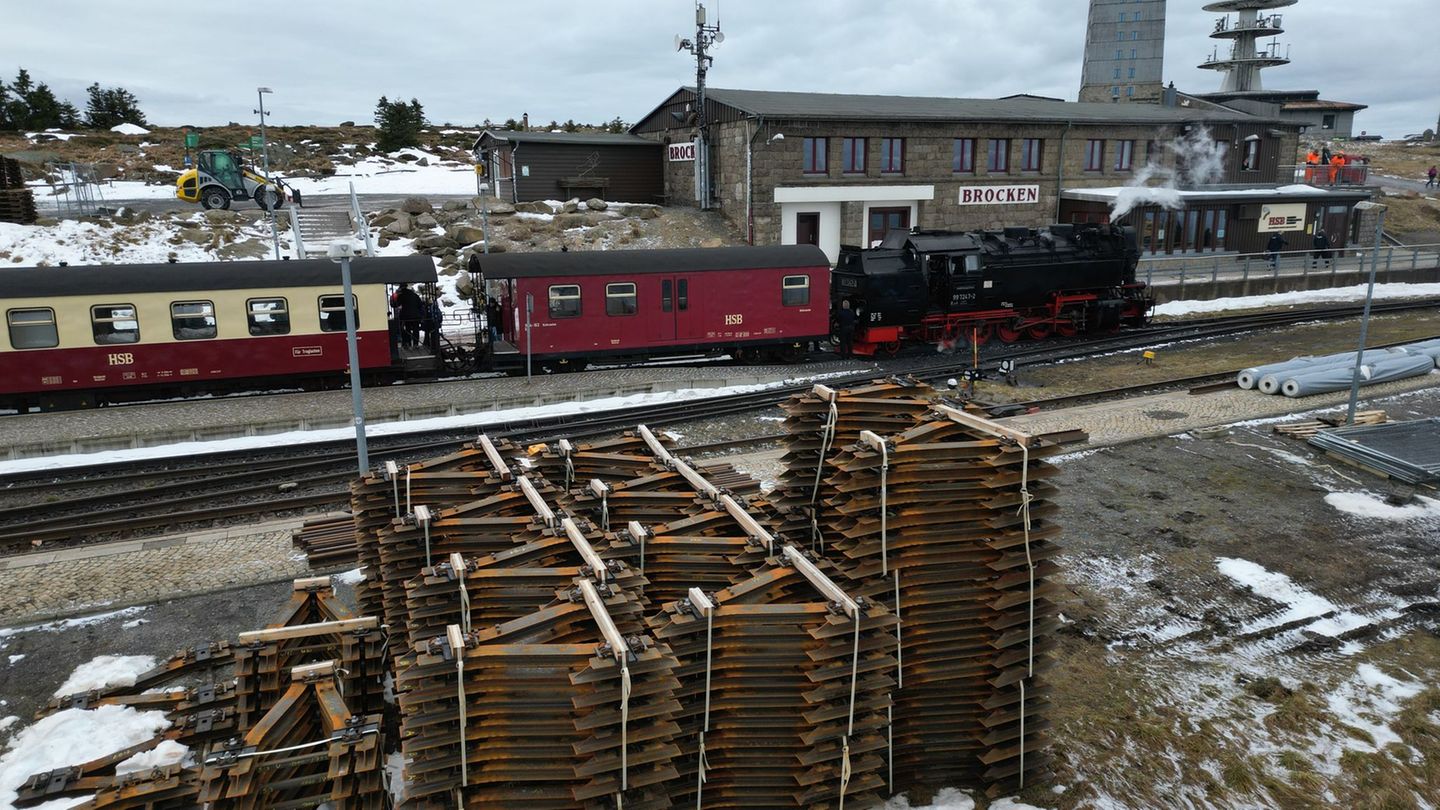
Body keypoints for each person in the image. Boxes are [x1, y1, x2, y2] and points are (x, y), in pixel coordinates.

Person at [395, 283, 423, 348]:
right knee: (416, 330)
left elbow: (397, 304)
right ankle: (416, 344)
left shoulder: (401, 295)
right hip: (416, 316)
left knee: (408, 330)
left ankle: (408, 343)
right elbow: (420, 304)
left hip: (406, 316)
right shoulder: (414, 294)